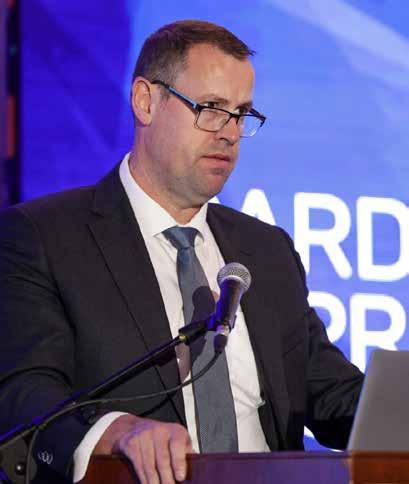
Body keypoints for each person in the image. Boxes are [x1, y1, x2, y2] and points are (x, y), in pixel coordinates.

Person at [0, 20, 363, 484]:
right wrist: (117, 432)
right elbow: (24, 394)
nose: (230, 133)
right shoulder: (42, 237)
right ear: (145, 101)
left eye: (241, 113)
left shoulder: (267, 250)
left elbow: (331, 395)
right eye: (211, 108)